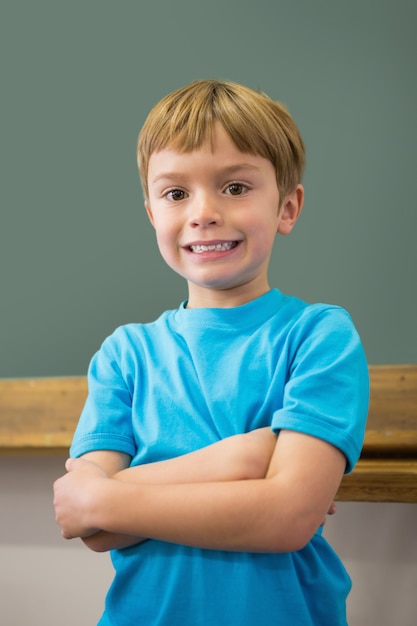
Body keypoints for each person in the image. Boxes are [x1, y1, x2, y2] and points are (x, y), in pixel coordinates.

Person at [53, 79, 369, 625]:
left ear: (287, 208)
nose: (204, 211)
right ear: (153, 212)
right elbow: (88, 524)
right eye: (176, 193)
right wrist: (241, 460)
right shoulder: (124, 354)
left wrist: (109, 493)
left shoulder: (319, 335)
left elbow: (287, 518)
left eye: (236, 187)